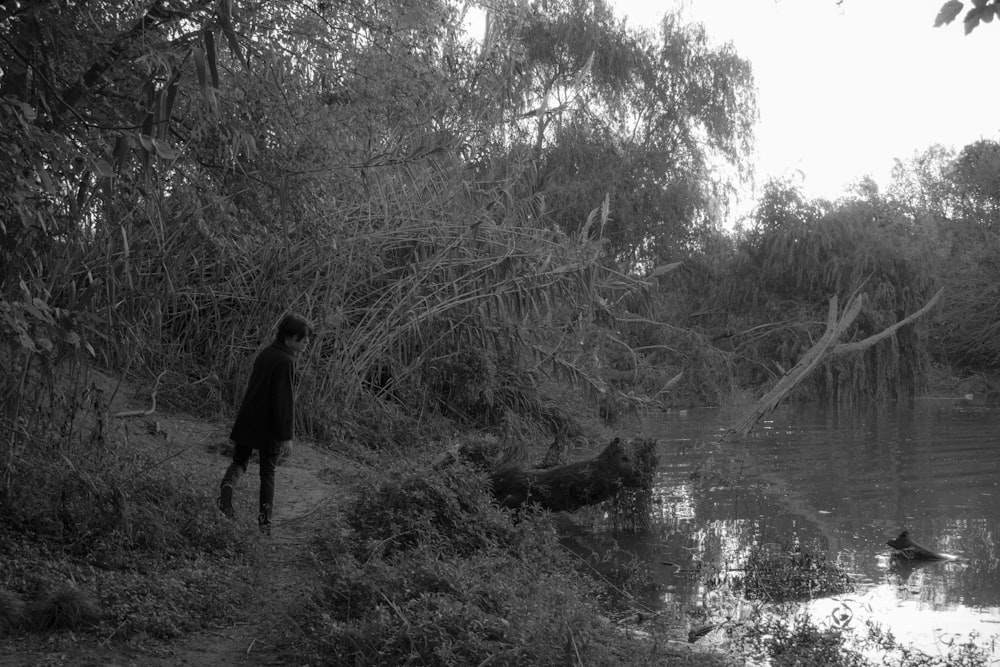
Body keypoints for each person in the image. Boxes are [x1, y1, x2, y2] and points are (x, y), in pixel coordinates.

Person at [217, 313, 311, 534]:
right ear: (290, 337)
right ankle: (264, 524)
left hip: (248, 418)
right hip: (268, 426)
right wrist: (286, 435)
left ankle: (228, 486)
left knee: (240, 461)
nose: (307, 342)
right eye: (303, 338)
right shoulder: (287, 361)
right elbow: (284, 400)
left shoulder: (266, 353)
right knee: (268, 472)